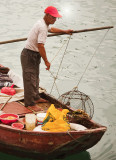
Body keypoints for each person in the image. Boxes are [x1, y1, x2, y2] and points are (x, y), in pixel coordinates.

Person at [21, 6, 73, 107]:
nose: (55, 19)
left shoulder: (44, 23)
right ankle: (29, 104)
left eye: (56, 18)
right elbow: (40, 46)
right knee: (29, 79)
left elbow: (52, 29)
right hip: (28, 55)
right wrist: (46, 61)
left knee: (35, 77)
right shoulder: (42, 27)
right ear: (47, 15)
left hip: (34, 55)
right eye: (53, 17)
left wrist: (65, 31)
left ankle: (36, 97)